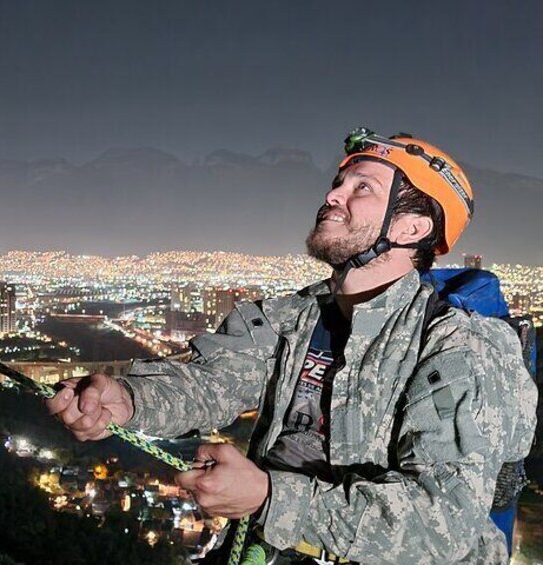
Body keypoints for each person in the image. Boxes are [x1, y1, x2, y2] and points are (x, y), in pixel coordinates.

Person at [46, 128, 537, 563]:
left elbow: (440, 526)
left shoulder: (463, 348)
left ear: (411, 229)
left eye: (361, 187)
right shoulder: (295, 317)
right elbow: (212, 380)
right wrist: (130, 400)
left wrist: (267, 497)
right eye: (338, 183)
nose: (333, 195)